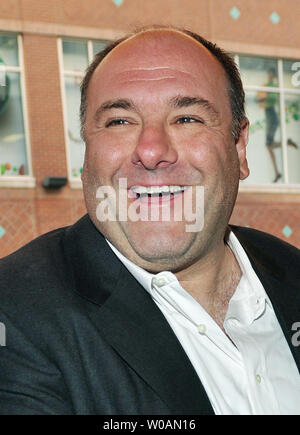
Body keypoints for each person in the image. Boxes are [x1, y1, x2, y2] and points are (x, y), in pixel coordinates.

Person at [0, 26, 299, 416]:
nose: (152, 151)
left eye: (187, 118)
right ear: (87, 151)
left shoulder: (292, 274)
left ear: (239, 148)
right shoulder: (15, 313)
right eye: (119, 121)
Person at [256, 68, 298, 183]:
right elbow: (260, 98)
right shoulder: (268, 86)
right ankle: (286, 143)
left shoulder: (272, 86)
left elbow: (268, 99)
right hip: (270, 116)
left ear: (273, 75)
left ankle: (277, 172)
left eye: (270, 74)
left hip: (271, 116)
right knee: (269, 145)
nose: (269, 76)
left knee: (268, 144)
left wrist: (263, 97)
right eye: (268, 74)